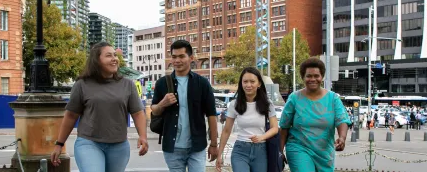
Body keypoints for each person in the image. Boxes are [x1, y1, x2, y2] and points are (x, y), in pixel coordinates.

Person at [50, 42, 148, 172]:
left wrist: (143, 136)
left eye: (115, 55)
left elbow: (138, 113)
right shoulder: (82, 85)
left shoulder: (127, 85)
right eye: (108, 56)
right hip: (89, 143)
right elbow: (71, 116)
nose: (114, 59)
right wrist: (59, 144)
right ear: (96, 60)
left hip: (118, 145)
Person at [151, 40, 218, 172]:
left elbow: (211, 115)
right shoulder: (162, 83)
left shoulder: (202, 83)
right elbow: (154, 111)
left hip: (197, 146)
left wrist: (214, 144)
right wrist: (162, 103)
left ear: (191, 58)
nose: (177, 61)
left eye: (181, 56)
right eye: (174, 57)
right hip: (172, 146)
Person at [279, 58, 350, 172]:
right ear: (303, 77)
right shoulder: (294, 98)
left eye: (316, 76)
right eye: (309, 76)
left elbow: (342, 120)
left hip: (324, 153)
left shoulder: (333, 98)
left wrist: (342, 138)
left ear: (322, 77)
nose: (313, 79)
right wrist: (280, 151)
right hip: (299, 148)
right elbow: (284, 126)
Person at [216, 67, 279, 172]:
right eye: (245, 81)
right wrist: (219, 155)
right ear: (241, 83)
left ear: (259, 84)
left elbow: (275, 128)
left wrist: (261, 137)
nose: (248, 85)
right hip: (240, 150)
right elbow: (226, 131)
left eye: (252, 81)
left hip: (261, 150)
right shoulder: (234, 104)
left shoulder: (267, 104)